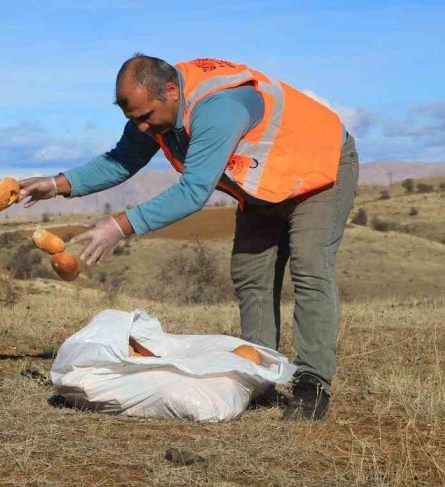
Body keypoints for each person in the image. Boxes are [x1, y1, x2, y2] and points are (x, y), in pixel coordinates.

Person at [19, 54, 359, 421]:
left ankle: (312, 383)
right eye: (135, 120)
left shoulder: (218, 108)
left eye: (146, 117)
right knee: (251, 273)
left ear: (169, 91)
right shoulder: (155, 109)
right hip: (265, 184)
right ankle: (259, 375)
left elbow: (195, 190)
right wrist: (55, 185)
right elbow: (121, 160)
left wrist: (120, 225)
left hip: (319, 169)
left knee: (310, 267)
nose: (144, 129)